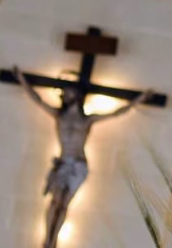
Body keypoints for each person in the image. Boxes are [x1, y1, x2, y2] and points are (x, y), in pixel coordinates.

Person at [13, 66, 152, 248]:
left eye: (69, 91)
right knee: (54, 202)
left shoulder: (87, 120)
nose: (66, 94)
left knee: (64, 204)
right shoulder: (59, 115)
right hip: (63, 163)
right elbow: (37, 100)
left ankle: (54, 240)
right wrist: (22, 79)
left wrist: (139, 99)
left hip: (78, 165)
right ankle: (47, 239)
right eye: (65, 92)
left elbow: (116, 113)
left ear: (78, 95)